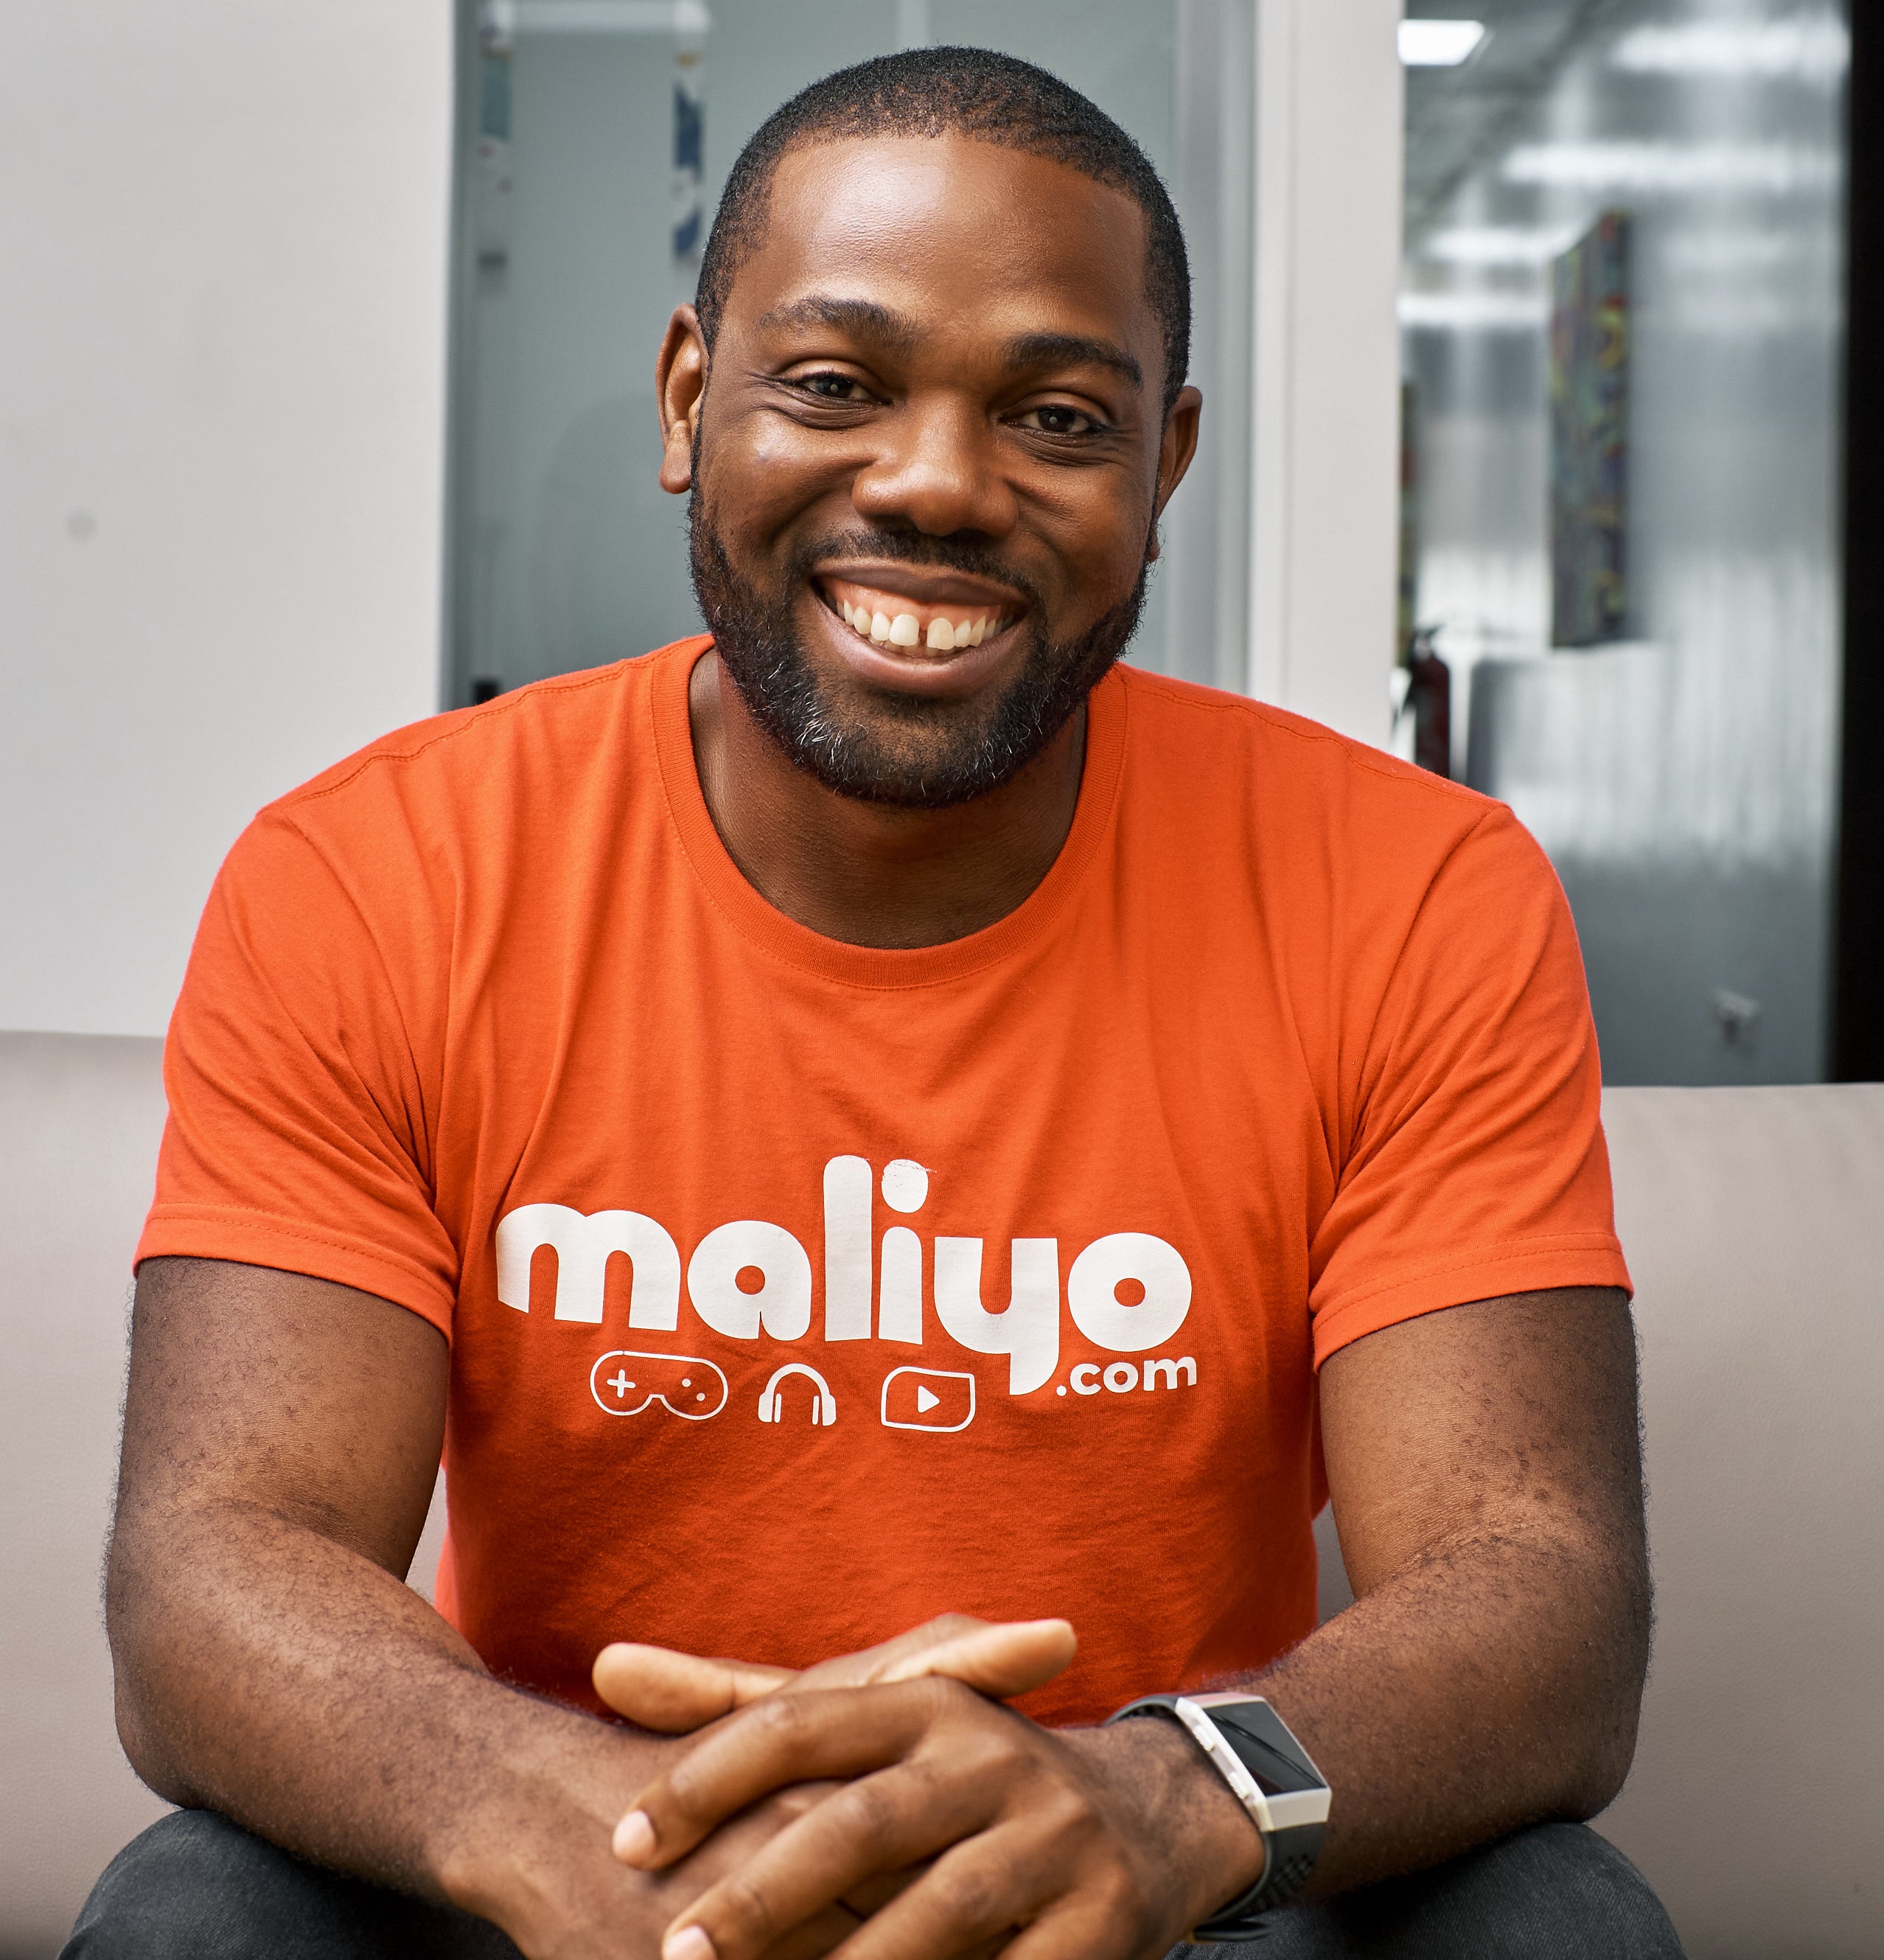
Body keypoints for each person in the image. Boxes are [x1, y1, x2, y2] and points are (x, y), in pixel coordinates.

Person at [69, 46, 1684, 1960]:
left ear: (1162, 467)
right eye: (834, 385)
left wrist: (1169, 1798)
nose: (934, 483)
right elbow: (215, 1560)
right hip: (579, 1859)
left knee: (1554, 1917)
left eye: (1057, 416)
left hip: (1148, 1879)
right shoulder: (375, 876)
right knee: (193, 1910)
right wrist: (538, 1805)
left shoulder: (1410, 891)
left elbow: (1538, 1588)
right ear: (691, 400)